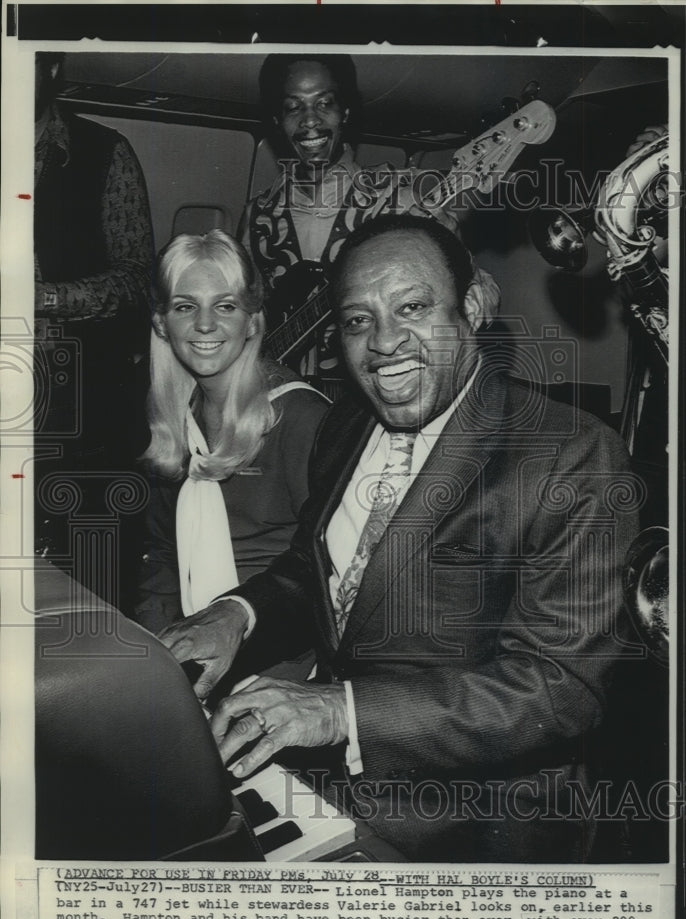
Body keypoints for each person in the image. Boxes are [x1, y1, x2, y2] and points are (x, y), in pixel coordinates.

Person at [159, 215, 640, 862]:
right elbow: (319, 570)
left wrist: (338, 711)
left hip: (470, 826)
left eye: (411, 308)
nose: (384, 343)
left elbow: (557, 689)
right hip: (328, 782)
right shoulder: (345, 426)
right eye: (357, 320)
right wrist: (235, 616)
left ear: (470, 307)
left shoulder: (569, 455)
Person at [238, 54, 499, 382]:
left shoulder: (399, 199)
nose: (310, 121)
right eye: (293, 107)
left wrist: (443, 257)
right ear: (277, 120)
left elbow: (481, 298)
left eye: (324, 103)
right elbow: (239, 315)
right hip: (277, 399)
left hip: (369, 395)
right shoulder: (258, 215)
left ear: (344, 112)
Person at [134, 231, 329, 649]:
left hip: (284, 647)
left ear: (253, 320)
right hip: (190, 634)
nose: (205, 324)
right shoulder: (173, 418)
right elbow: (162, 554)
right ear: (161, 324)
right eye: (186, 307)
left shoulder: (298, 417)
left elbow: (331, 569)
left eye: (225, 306)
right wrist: (153, 650)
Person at [34, 52, 155, 607]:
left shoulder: (105, 153)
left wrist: (51, 299)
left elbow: (137, 279)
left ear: (51, 68)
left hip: (86, 415)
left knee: (94, 597)